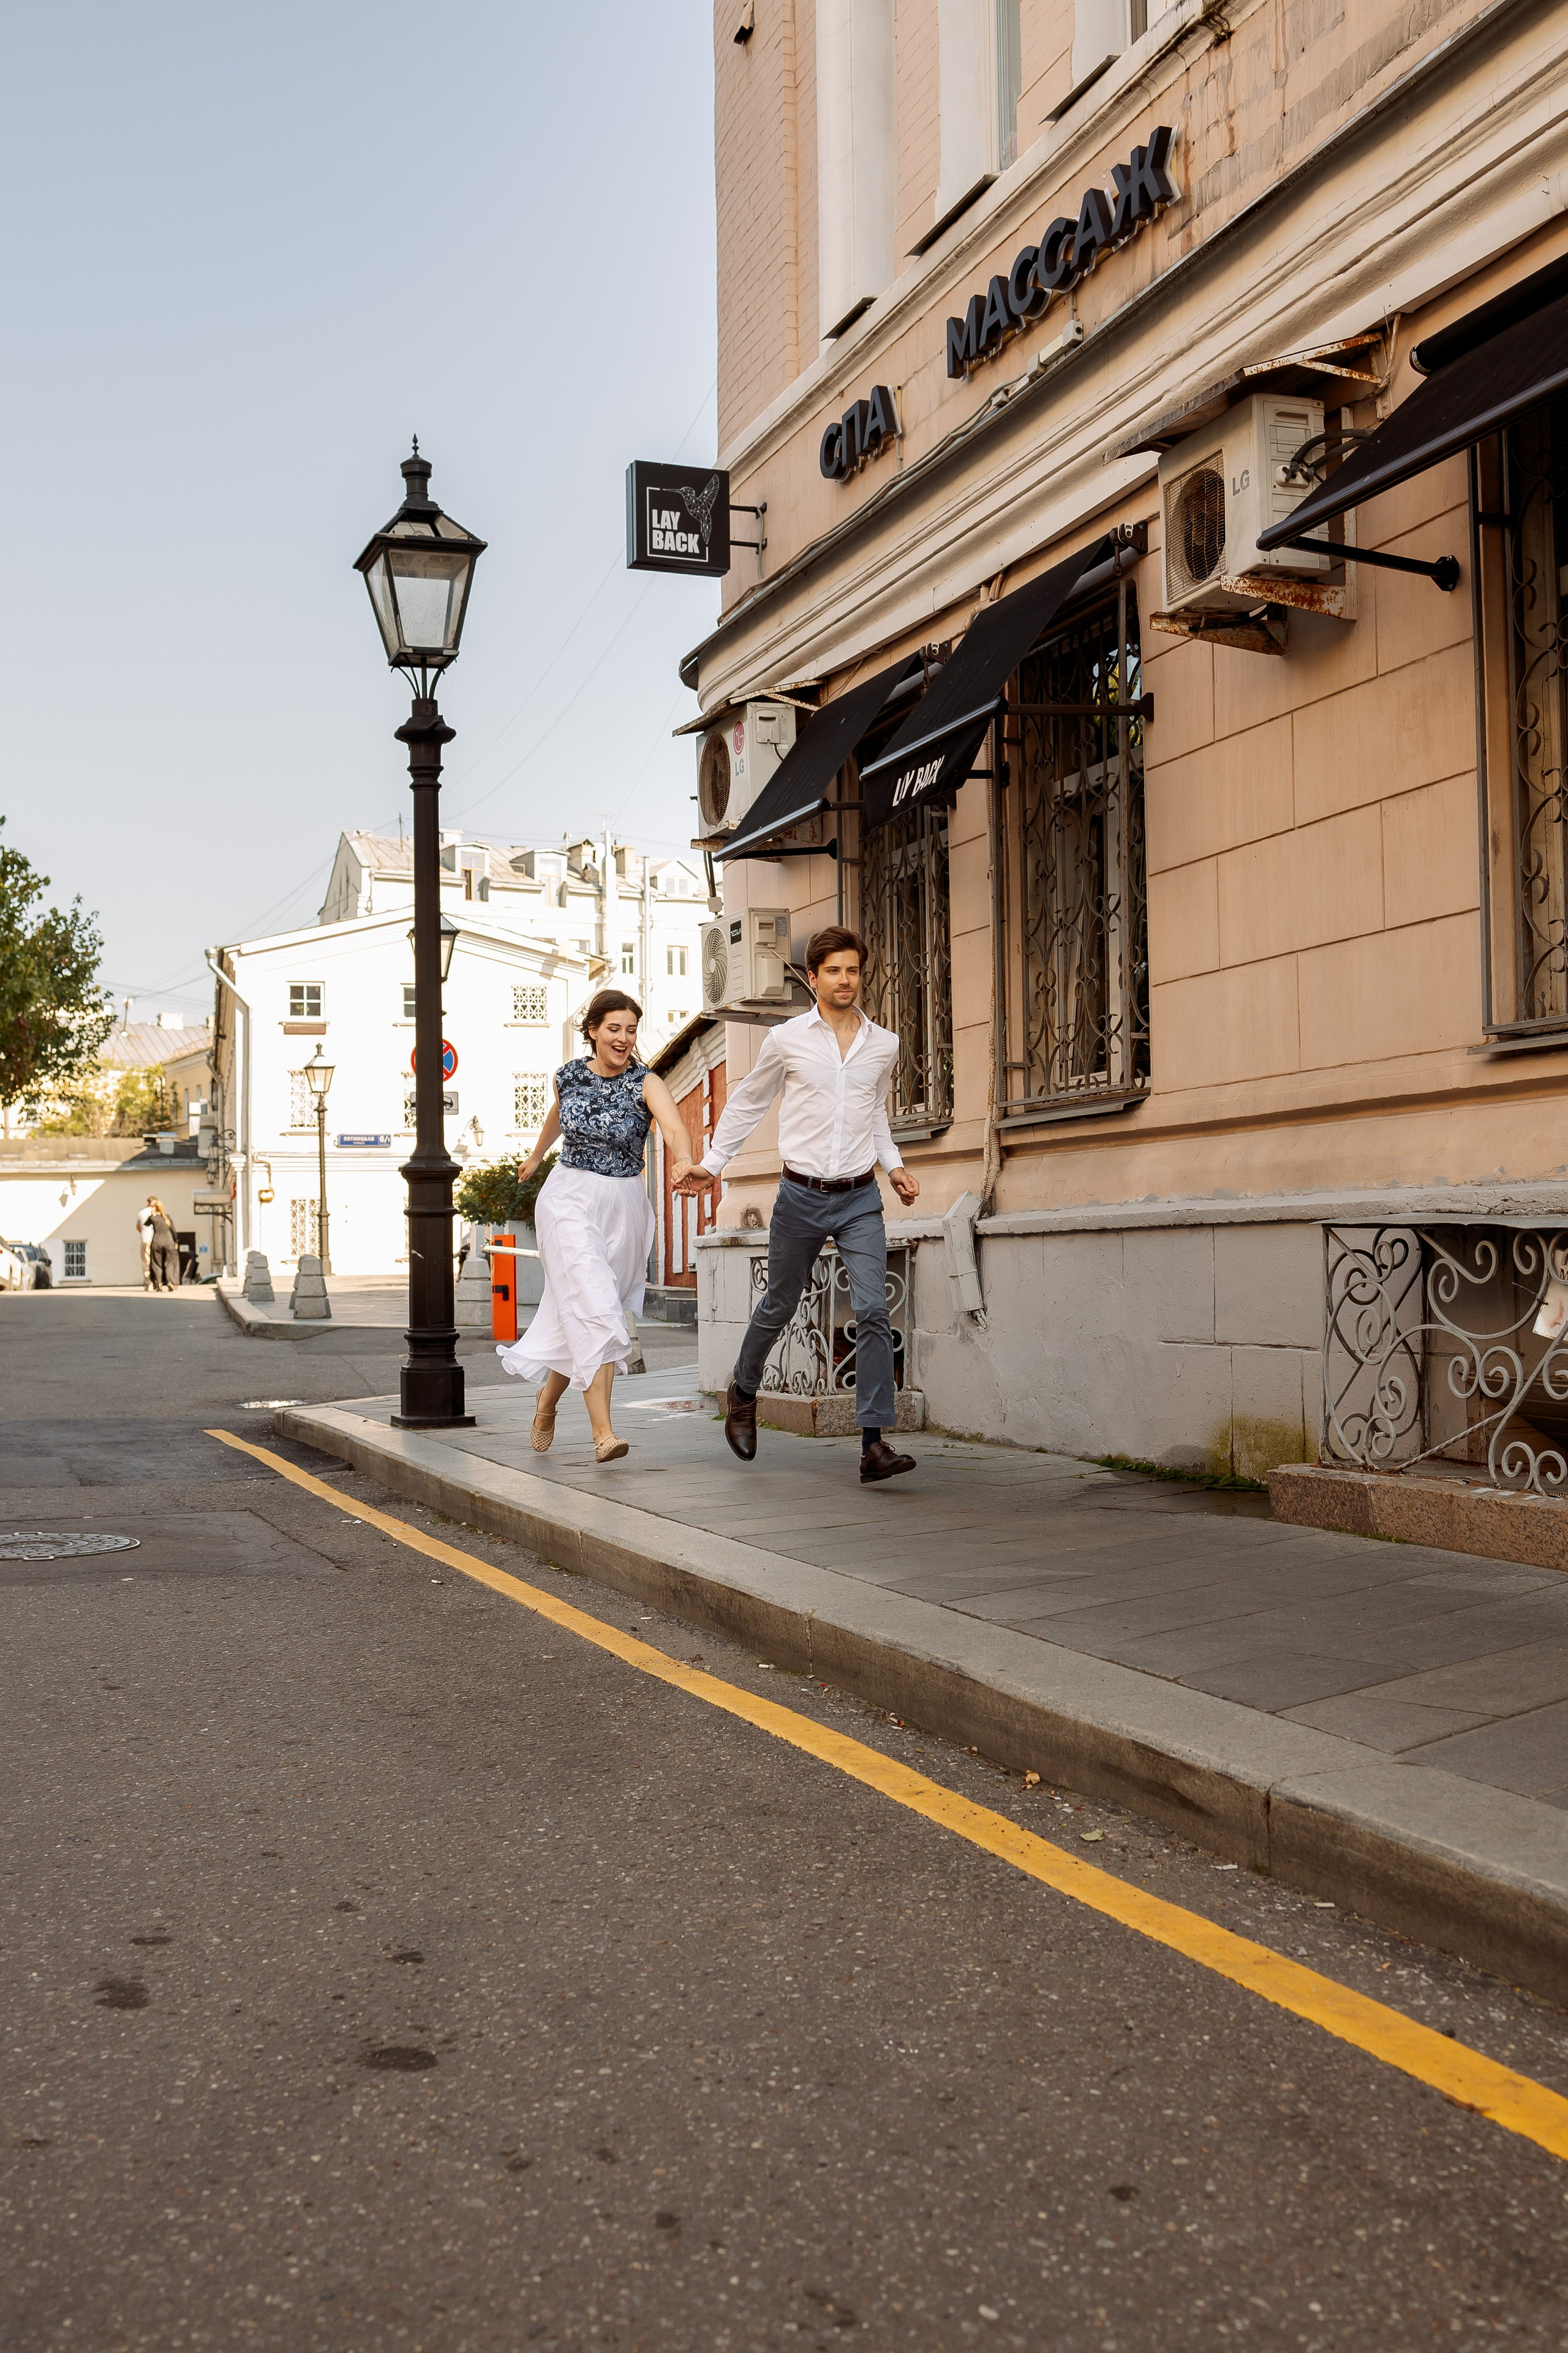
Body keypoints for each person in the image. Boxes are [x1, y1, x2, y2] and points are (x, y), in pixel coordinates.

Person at [677, 925, 921, 1482]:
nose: (845, 979)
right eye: (833, 970)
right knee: (780, 1305)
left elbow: (875, 1111)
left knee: (874, 1310)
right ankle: (743, 1390)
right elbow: (747, 1103)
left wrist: (895, 1166)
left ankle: (873, 1442)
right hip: (801, 1197)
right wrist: (712, 1165)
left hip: (860, 1196)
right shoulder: (787, 1039)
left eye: (853, 970)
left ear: (862, 974)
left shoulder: (883, 1044)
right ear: (813, 979)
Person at [497, 989, 701, 1463]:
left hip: (624, 1205)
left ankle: (546, 1402)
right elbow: (557, 1117)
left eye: (631, 1029)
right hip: (568, 1196)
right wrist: (535, 1154)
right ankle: (603, 1433)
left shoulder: (645, 1082)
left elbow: (673, 1127)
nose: (624, 1038)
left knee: (593, 1308)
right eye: (614, 1028)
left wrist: (684, 1159)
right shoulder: (568, 1075)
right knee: (596, 1308)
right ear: (592, 1030)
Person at [146, 1198, 179, 1293]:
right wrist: (176, 1242)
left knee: (156, 1263)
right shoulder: (167, 1218)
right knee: (170, 1263)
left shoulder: (153, 1218)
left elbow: (145, 1224)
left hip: (157, 1242)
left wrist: (152, 1214)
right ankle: (170, 1282)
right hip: (169, 1242)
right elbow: (174, 1231)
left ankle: (159, 1283)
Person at [135, 1199, 155, 1290]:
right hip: (156, 1240)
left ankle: (149, 1283)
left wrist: (143, 1232)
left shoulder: (141, 1213)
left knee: (146, 1262)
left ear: (148, 1203)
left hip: (146, 1239)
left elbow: (138, 1227)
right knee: (155, 1262)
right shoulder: (157, 1212)